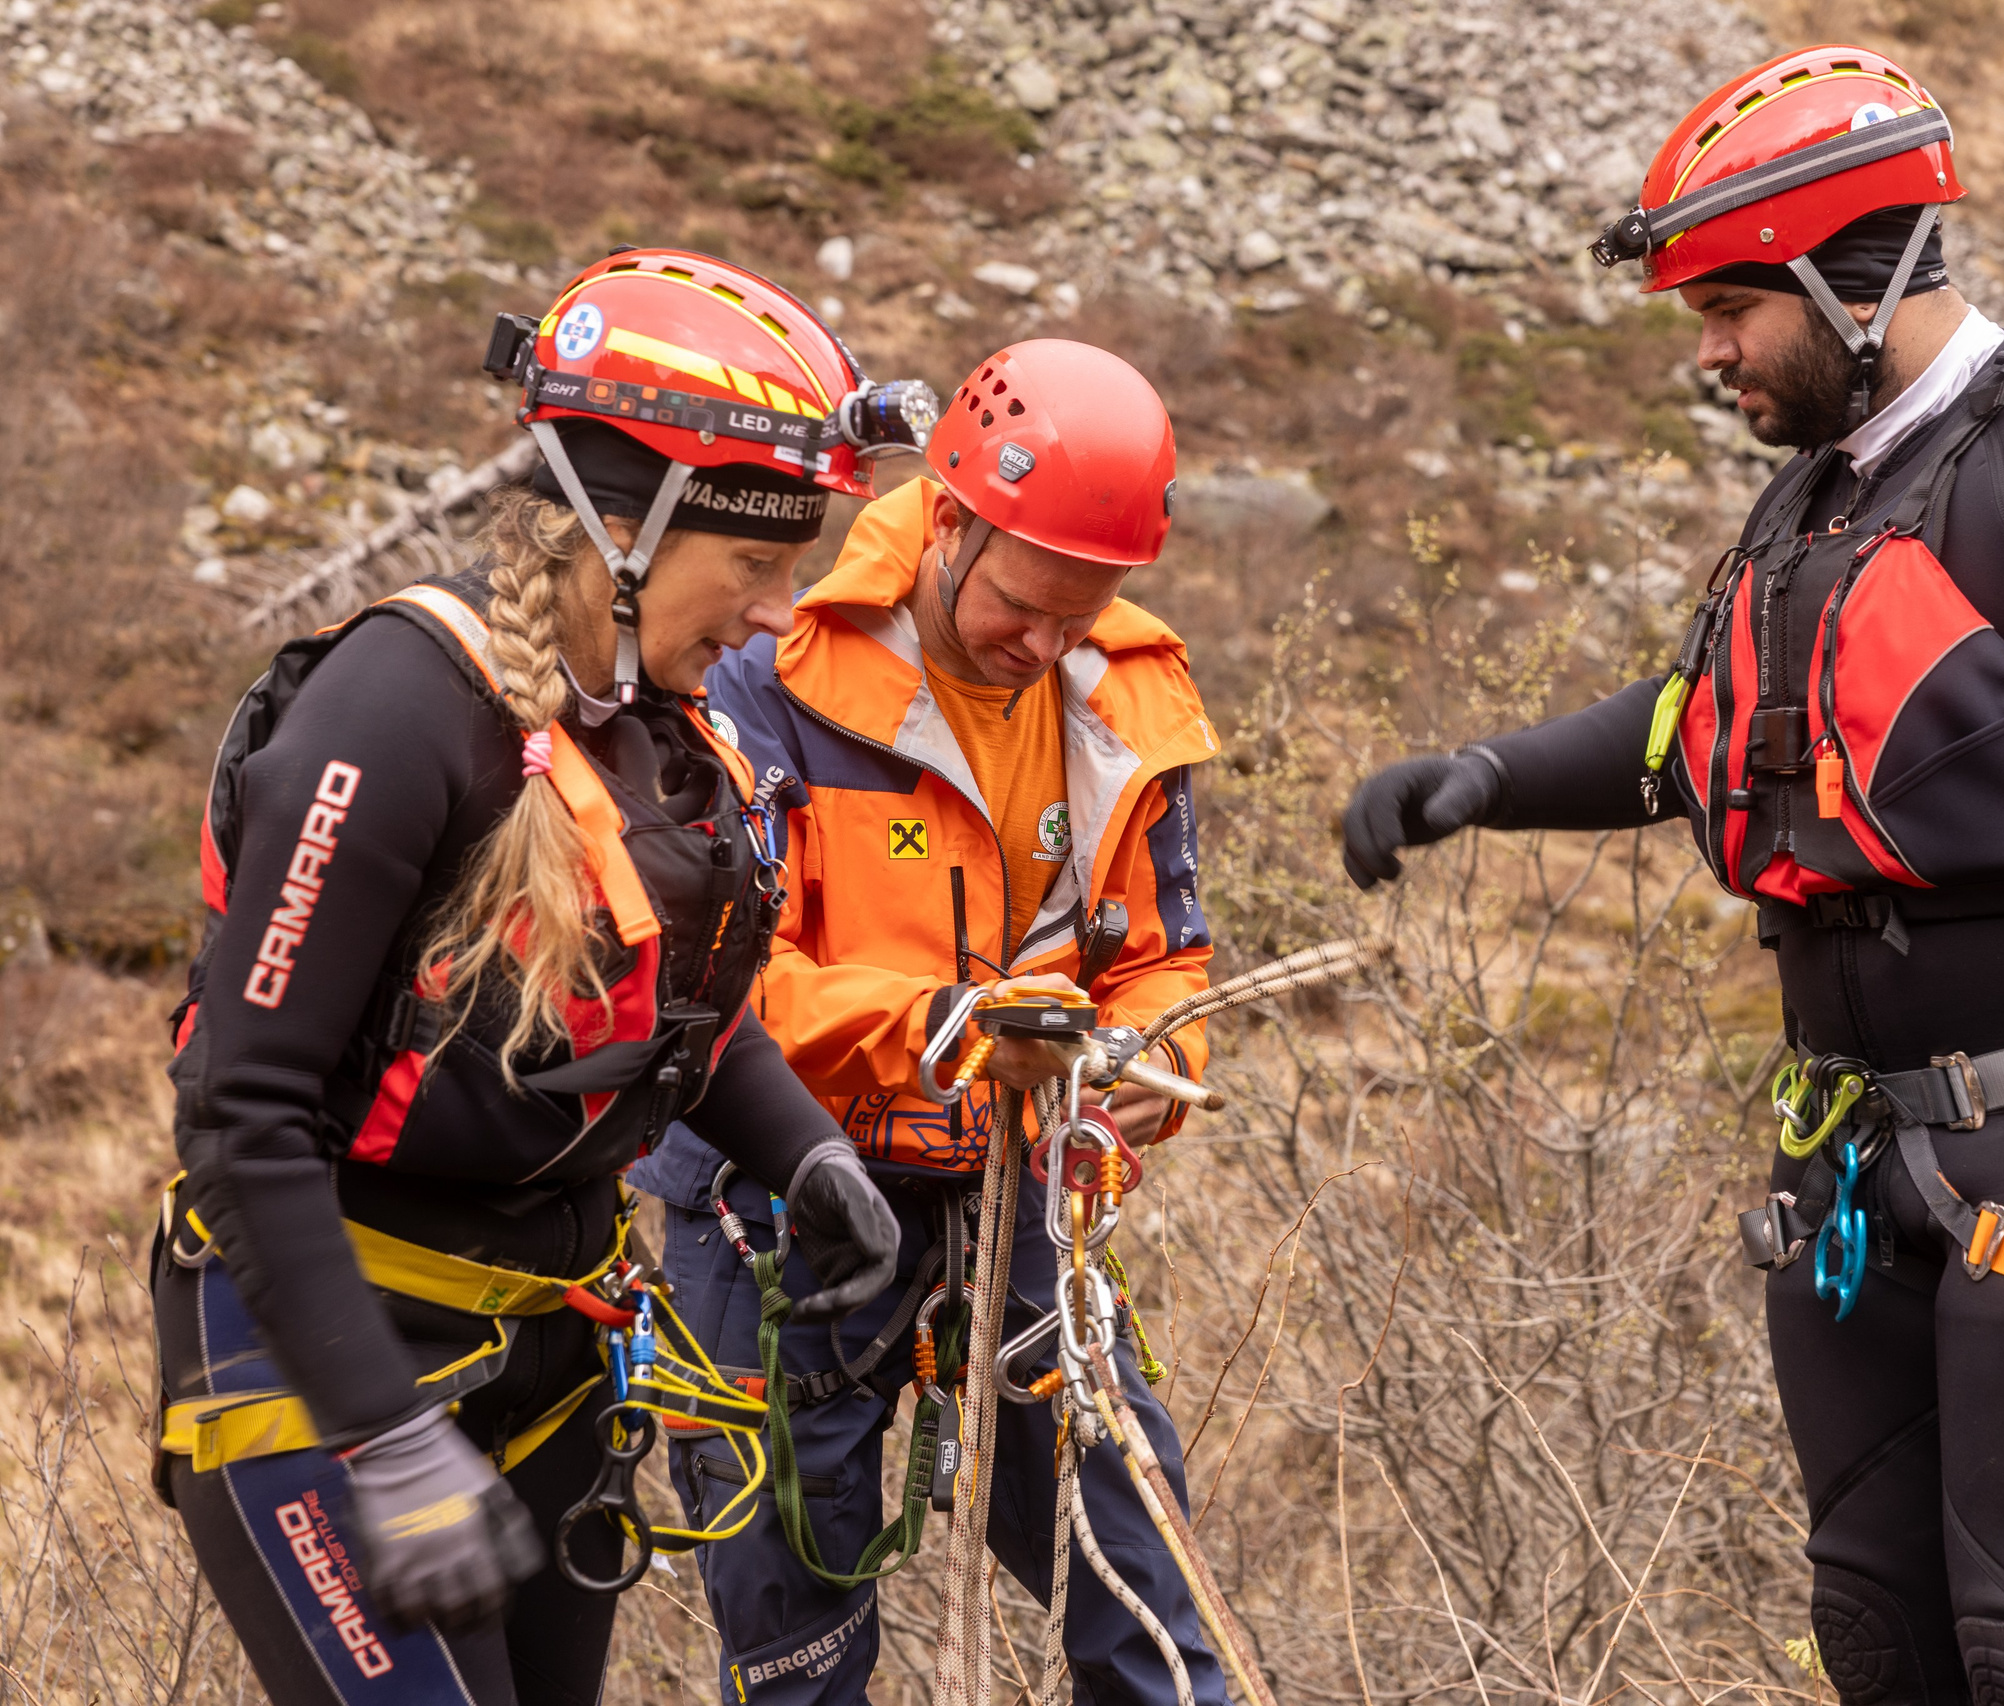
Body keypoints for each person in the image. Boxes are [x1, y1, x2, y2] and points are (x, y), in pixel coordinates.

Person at [1343, 44, 2004, 1705]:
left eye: (1731, 306)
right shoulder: (1812, 503)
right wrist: (1484, 782)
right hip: (1855, 1168)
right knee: (1882, 1652)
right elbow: (1695, 728)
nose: (1709, 349)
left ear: (1841, 276)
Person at [154, 247, 909, 1706]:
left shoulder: (655, 724)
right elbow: (238, 1111)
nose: (773, 611)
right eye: (756, 565)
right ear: (624, 529)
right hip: (319, 1346)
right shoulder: (392, 712)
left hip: (551, 1342)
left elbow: (666, 999)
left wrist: (806, 1151)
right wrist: (383, 1433)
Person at [625, 338, 1228, 1706]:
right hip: (773, 1209)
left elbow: (1162, 960)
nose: (1048, 642)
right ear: (950, 520)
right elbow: (711, 983)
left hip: (1017, 1202)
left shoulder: (1125, 699)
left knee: (1144, 1589)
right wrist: (949, 1024)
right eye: (1022, 606)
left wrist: (1155, 1067)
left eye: (1085, 610)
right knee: (799, 1650)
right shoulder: (768, 675)